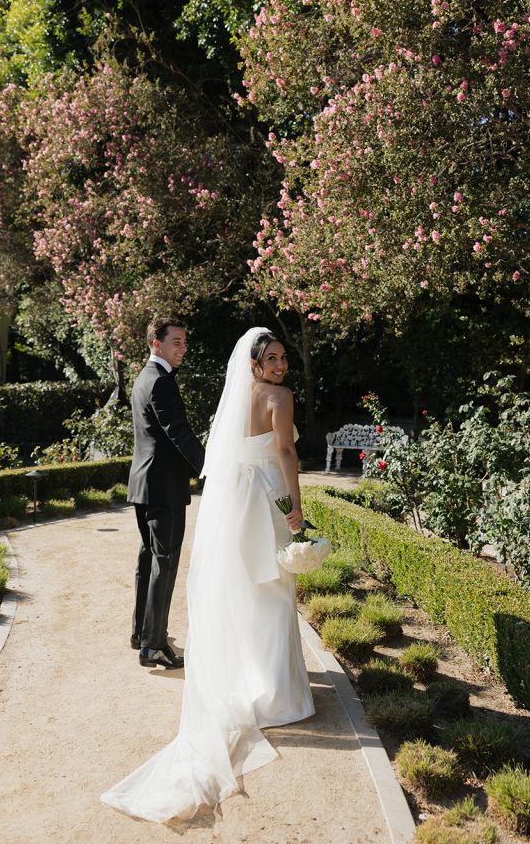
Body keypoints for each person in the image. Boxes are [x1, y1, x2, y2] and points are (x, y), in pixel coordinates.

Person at [102, 327, 315, 822]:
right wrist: (297, 509)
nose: (282, 366)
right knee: (274, 592)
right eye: (274, 358)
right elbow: (285, 454)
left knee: (248, 591)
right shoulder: (279, 398)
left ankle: (246, 681)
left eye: (285, 359)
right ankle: (277, 695)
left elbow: (223, 454)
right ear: (256, 362)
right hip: (265, 502)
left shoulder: (236, 398)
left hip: (237, 503)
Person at [128, 318, 205, 669]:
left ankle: (140, 633)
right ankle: (154, 646)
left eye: (185, 341)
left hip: (145, 486)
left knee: (149, 559)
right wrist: (210, 467)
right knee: (164, 562)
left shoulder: (144, 378)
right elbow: (180, 434)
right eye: (176, 341)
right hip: (164, 488)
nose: (183, 347)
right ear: (156, 344)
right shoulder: (161, 382)